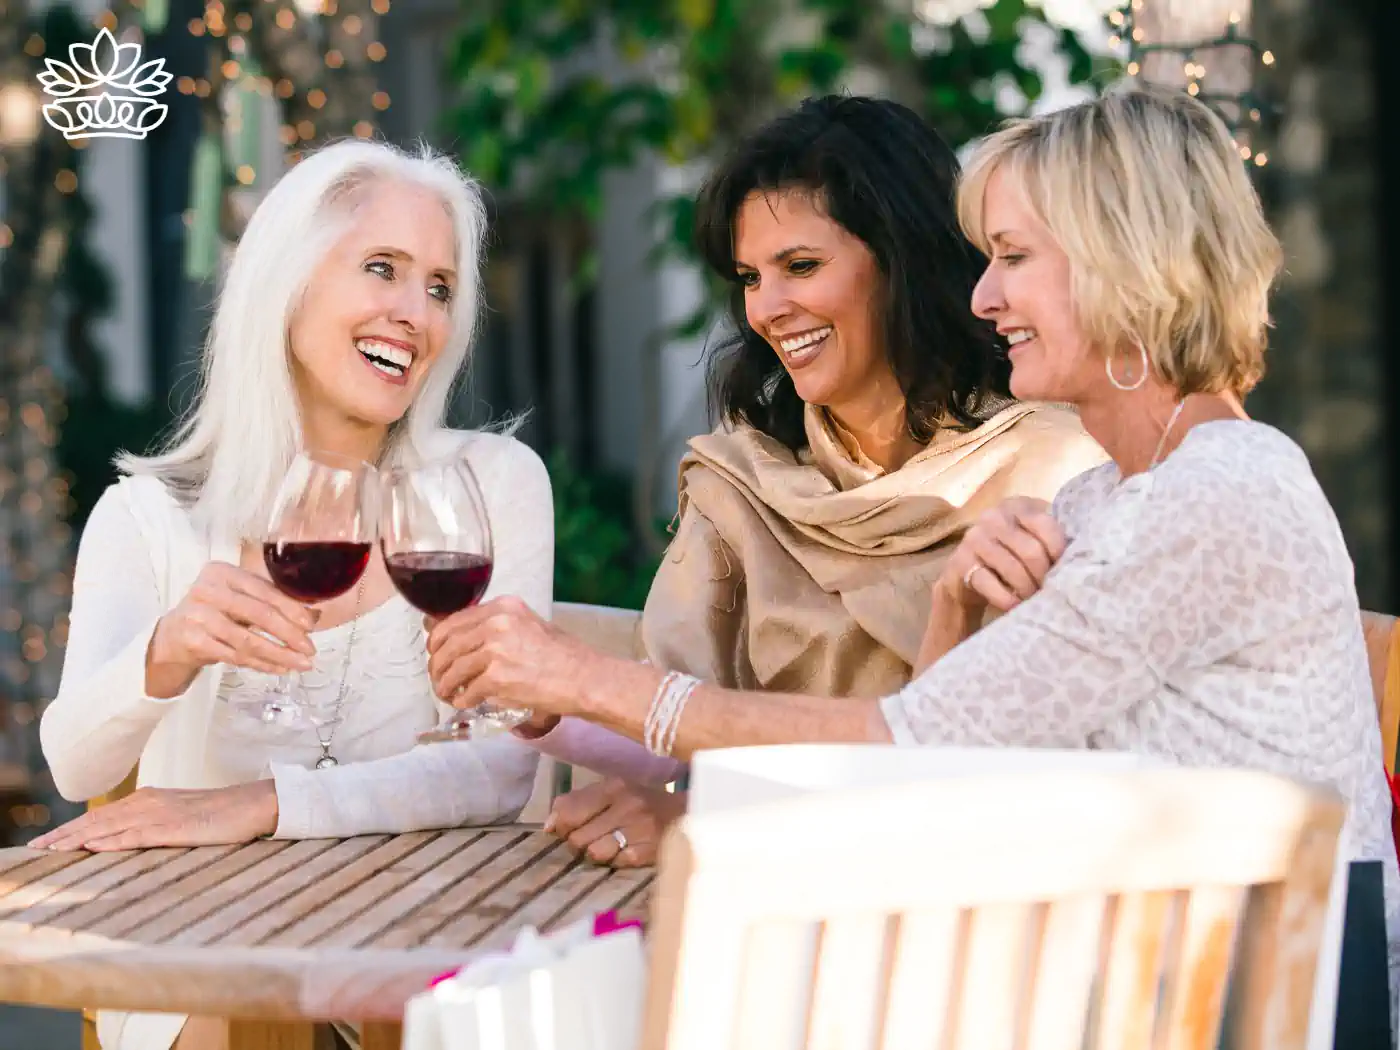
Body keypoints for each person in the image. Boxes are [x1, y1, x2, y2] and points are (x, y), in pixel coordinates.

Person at [422, 86, 1400, 1002]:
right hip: (1145, 972)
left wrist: (587, 681)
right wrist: (948, 612)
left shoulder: (1209, 499)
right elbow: (947, 775)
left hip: (1262, 998)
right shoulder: (1114, 497)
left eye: (1013, 258)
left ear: (1123, 268)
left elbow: (907, 743)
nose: (982, 298)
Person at [32, 141, 553, 1050]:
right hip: (204, 943)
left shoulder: (486, 488)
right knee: (255, 1011)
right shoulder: (150, 517)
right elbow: (75, 769)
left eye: (437, 287)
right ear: (288, 281)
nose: (413, 314)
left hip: (421, 926)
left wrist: (254, 807)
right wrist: (165, 652)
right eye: (381, 269)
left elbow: (500, 766)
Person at [517, 94, 1105, 865]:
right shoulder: (743, 480)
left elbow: (997, 769)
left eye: (801, 266)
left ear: (904, 259)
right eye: (750, 277)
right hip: (775, 898)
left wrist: (711, 819)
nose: (767, 307)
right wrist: (540, 704)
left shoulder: (1058, 472)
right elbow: (671, 715)